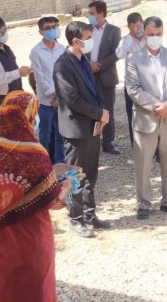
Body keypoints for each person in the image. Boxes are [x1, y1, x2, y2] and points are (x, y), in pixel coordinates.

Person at [0, 91, 70, 302]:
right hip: (32, 235)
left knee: (8, 286)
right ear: (27, 115)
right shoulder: (35, 155)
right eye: (34, 113)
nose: (36, 119)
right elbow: (52, 197)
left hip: (0, 235)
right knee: (36, 286)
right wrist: (66, 186)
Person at [53, 21, 111, 237]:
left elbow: (95, 90)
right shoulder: (63, 66)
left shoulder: (83, 59)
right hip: (76, 128)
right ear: (75, 41)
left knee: (90, 174)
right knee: (75, 176)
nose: (90, 41)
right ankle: (75, 219)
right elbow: (73, 100)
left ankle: (89, 214)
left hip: (93, 127)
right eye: (87, 37)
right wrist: (98, 114)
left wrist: (103, 112)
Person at [126, 16, 167, 219]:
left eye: (158, 35)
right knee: (143, 163)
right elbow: (132, 88)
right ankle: (143, 203)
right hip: (146, 118)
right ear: (144, 33)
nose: (154, 38)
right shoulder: (134, 59)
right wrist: (155, 105)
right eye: (150, 34)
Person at [87, 0, 122, 154]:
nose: (89, 16)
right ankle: (91, 141)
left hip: (106, 76)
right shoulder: (86, 30)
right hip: (87, 76)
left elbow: (116, 53)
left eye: (92, 13)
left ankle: (108, 142)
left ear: (101, 14)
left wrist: (99, 65)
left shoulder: (114, 31)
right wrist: (88, 66)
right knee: (89, 109)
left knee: (108, 111)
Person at [30, 16, 66, 163]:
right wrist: (53, 95)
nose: (52, 30)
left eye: (54, 27)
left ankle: (60, 164)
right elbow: (39, 77)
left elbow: (65, 74)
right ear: (41, 32)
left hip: (60, 100)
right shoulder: (36, 52)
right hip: (46, 101)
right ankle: (43, 164)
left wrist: (59, 97)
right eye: (48, 28)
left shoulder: (62, 49)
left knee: (60, 134)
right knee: (45, 135)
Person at [115, 12, 146, 146]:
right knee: (132, 114)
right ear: (129, 27)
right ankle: (136, 144)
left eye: (139, 26)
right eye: (134, 27)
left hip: (149, 83)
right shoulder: (126, 40)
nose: (137, 29)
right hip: (132, 84)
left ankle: (154, 146)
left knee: (150, 114)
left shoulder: (148, 37)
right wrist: (131, 37)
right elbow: (119, 54)